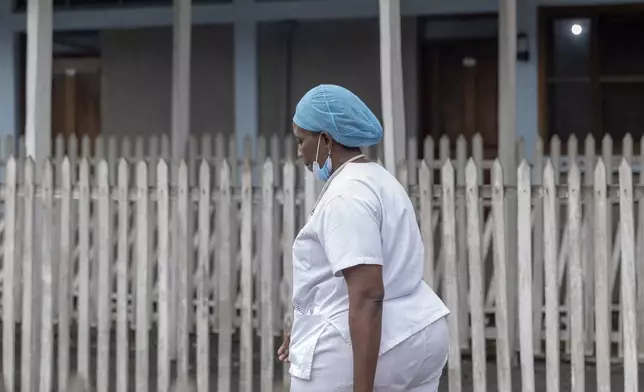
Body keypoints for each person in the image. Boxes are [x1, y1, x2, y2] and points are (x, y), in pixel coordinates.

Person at [277, 84, 450, 392]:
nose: (299, 153)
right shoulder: (380, 180)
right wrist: (306, 325)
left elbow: (368, 294)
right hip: (419, 332)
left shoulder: (345, 196)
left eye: (302, 141)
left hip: (365, 347)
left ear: (326, 139)